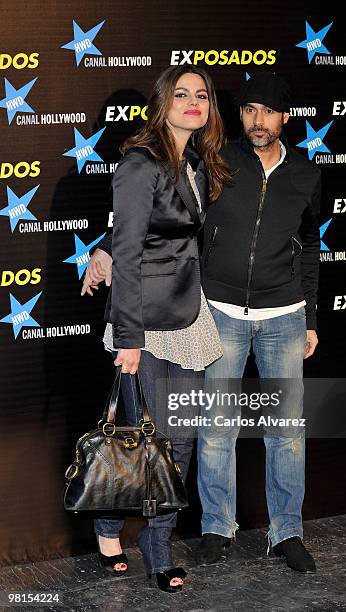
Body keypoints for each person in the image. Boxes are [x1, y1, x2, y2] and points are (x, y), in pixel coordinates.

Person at [83, 73, 321, 575]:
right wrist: (104, 255)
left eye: (202, 96)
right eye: (182, 95)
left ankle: (259, 534)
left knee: (226, 435)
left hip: (236, 316)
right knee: (171, 433)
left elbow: (307, 247)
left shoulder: (247, 166)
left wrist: (311, 319)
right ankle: (160, 529)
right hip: (183, 318)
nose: (259, 120)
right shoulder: (178, 161)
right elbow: (132, 229)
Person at [88, 64, 229, 593]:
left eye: (202, 96)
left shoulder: (196, 160)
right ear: (163, 103)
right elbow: (126, 250)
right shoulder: (139, 162)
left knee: (180, 439)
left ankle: (154, 539)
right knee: (142, 438)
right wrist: (128, 339)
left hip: (189, 316)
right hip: (144, 322)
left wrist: (100, 247)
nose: (194, 103)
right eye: (182, 95)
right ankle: (111, 529)